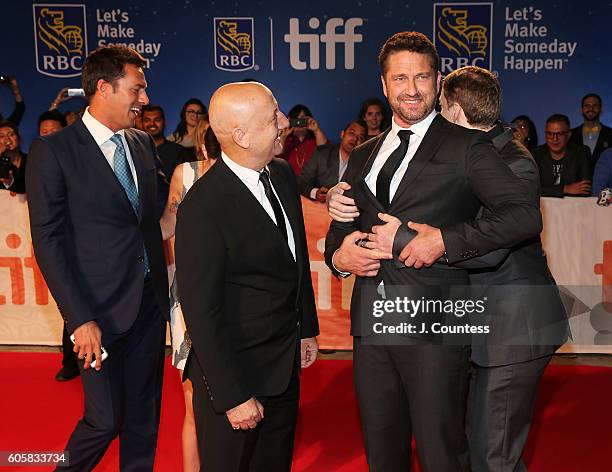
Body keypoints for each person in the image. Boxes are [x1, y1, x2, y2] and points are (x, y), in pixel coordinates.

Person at [324, 32, 542, 471]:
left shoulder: (466, 145)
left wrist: (444, 240)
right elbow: (342, 226)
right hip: (372, 327)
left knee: (442, 453)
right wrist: (339, 257)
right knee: (383, 454)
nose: (411, 89)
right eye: (400, 78)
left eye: (421, 77)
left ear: (437, 80)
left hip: (437, 326)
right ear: (383, 84)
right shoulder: (363, 154)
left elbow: (522, 216)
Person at [362, 65, 569, 471]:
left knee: (493, 457)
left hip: (514, 329)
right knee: (475, 448)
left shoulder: (513, 161)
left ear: (454, 110)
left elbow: (493, 247)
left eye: (439, 105)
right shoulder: (476, 153)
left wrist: (410, 240)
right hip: (477, 324)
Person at [26, 45, 170, 471]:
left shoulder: (142, 145)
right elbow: (48, 242)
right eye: (137, 89)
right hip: (97, 312)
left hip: (147, 302)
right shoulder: (53, 151)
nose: (144, 99)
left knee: (143, 419)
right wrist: (79, 319)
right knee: (104, 420)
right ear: (104, 88)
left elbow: (155, 213)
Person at [175, 81, 319, 472]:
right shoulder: (202, 207)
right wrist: (233, 395)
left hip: (284, 367)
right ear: (239, 135)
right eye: (273, 116)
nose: (285, 123)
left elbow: (296, 258)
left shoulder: (283, 175)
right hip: (236, 378)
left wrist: (306, 326)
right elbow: (201, 312)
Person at [159, 120, 220, 472]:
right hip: (191, 297)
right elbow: (168, 225)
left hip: (241, 298)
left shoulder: (263, 175)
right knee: (193, 398)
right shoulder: (187, 173)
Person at [298, 119, 366, 201]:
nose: (355, 139)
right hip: (318, 207)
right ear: (342, 134)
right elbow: (301, 181)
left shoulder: (364, 164)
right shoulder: (322, 153)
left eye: (360, 137)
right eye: (351, 133)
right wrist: (315, 193)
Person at [533, 114, 592, 197]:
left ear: (569, 135)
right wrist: (565, 189)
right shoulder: (536, 154)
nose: (554, 139)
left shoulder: (581, 153)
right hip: (542, 207)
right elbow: (530, 189)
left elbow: (584, 189)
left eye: (560, 134)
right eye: (550, 134)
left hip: (574, 207)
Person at [142, 104, 195, 179]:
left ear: (164, 122)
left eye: (157, 120)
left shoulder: (180, 153)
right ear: (142, 123)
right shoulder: (135, 152)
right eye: (147, 120)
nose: (152, 124)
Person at [278, 104, 328, 175]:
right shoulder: (286, 141)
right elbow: (277, 156)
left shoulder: (314, 141)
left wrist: (316, 130)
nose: (298, 122)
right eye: (296, 119)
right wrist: (283, 136)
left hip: (312, 181)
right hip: (287, 180)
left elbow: (324, 150)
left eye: (302, 119)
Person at [570, 93, 612, 167]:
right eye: (587, 105)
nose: (591, 109)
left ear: (601, 110)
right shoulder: (570, 135)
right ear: (581, 110)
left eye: (595, 105)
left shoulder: (611, 134)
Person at [0, 121, 27, 194]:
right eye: (1, 136)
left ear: (18, 138)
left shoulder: (31, 159)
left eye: (11, 134)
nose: (7, 138)